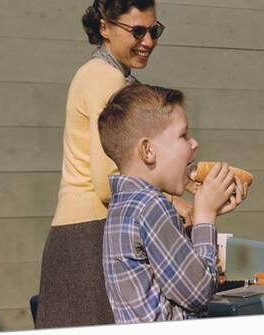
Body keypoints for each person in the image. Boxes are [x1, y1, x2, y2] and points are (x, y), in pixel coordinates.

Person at [36, 0, 193, 328]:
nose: (148, 42)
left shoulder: (110, 76)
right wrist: (172, 201)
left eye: (154, 31)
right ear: (104, 27)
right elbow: (108, 183)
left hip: (86, 233)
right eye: (137, 31)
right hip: (89, 236)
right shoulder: (104, 78)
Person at [97, 84, 248, 323]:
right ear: (148, 151)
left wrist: (201, 215)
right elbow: (198, 292)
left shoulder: (124, 204)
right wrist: (205, 216)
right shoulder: (152, 206)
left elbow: (170, 282)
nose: (194, 143)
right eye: (183, 135)